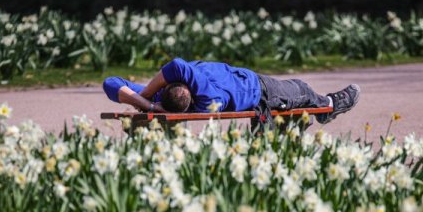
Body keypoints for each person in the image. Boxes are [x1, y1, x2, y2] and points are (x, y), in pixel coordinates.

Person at [103, 58, 360, 131]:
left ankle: (299, 124)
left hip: (255, 85)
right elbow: (177, 65)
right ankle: (329, 106)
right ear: (192, 91)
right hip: (262, 91)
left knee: (293, 115)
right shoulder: (206, 99)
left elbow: (110, 83)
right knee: (302, 90)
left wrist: (147, 102)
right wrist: (150, 96)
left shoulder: (157, 99)